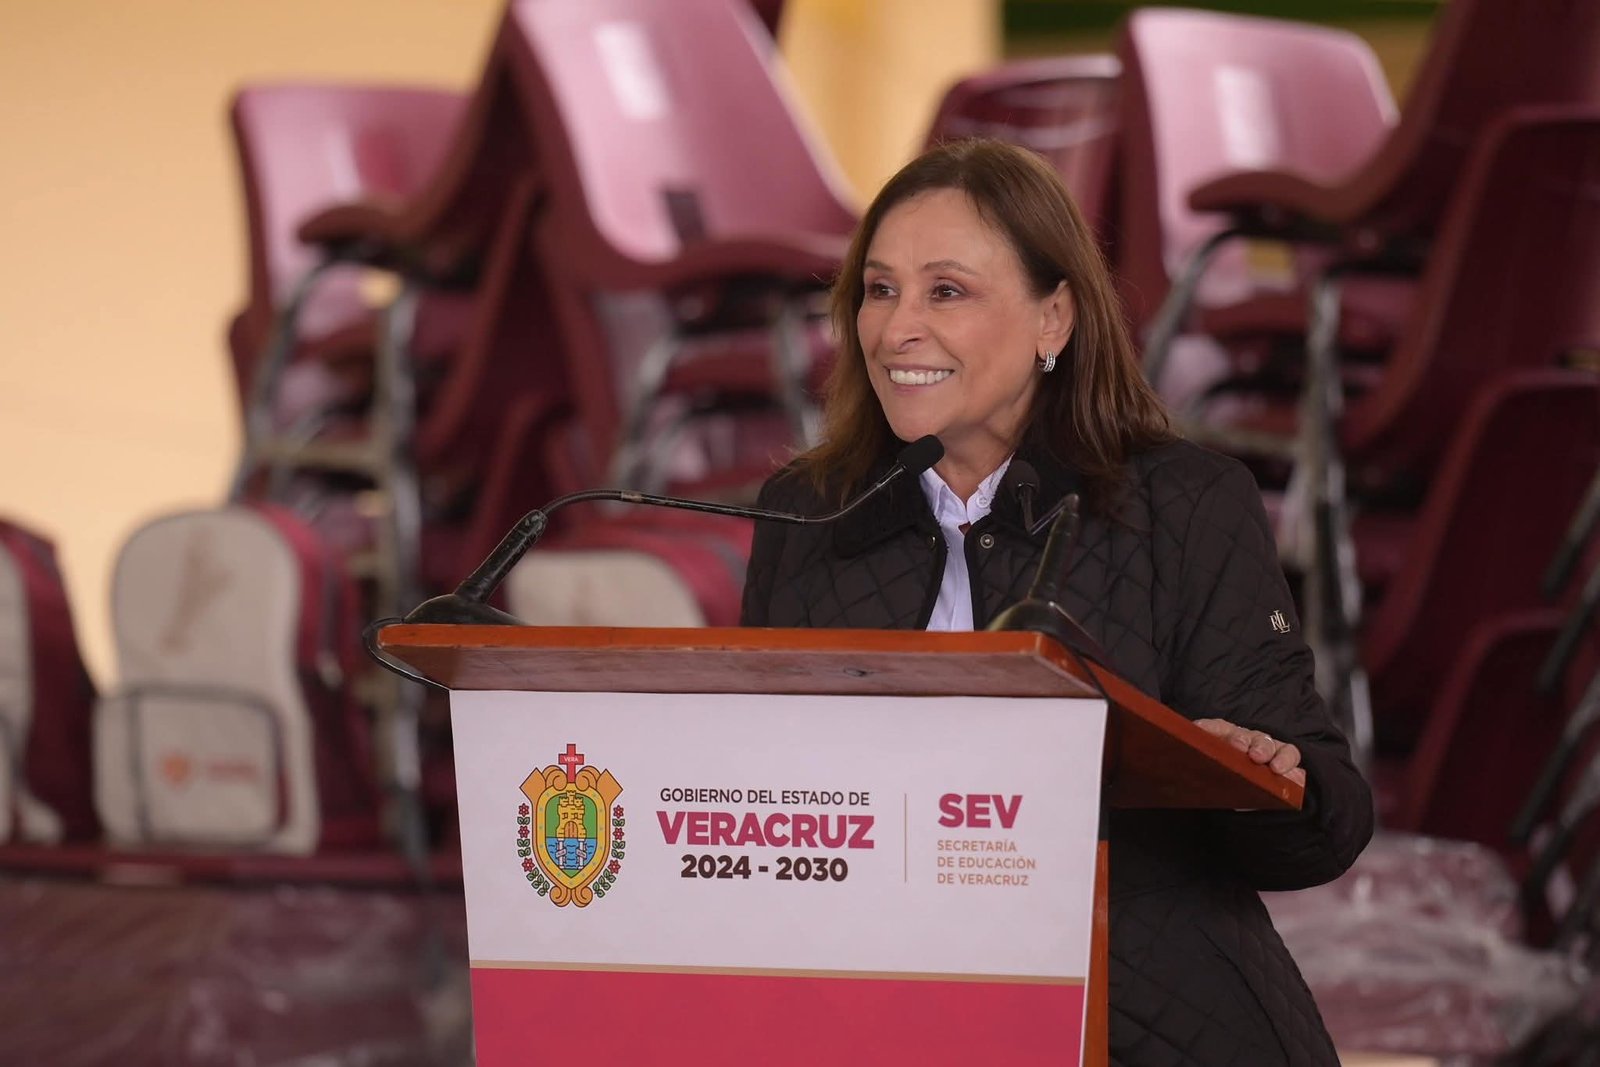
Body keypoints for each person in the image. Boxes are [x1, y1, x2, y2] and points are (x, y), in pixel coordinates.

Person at [740, 139, 1374, 1065]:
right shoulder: (806, 511)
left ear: (1054, 318)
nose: (896, 328)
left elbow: (1327, 823)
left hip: (1149, 1014)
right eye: (879, 290)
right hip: (884, 1011)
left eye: (945, 291)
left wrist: (1263, 780)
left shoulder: (1185, 503)